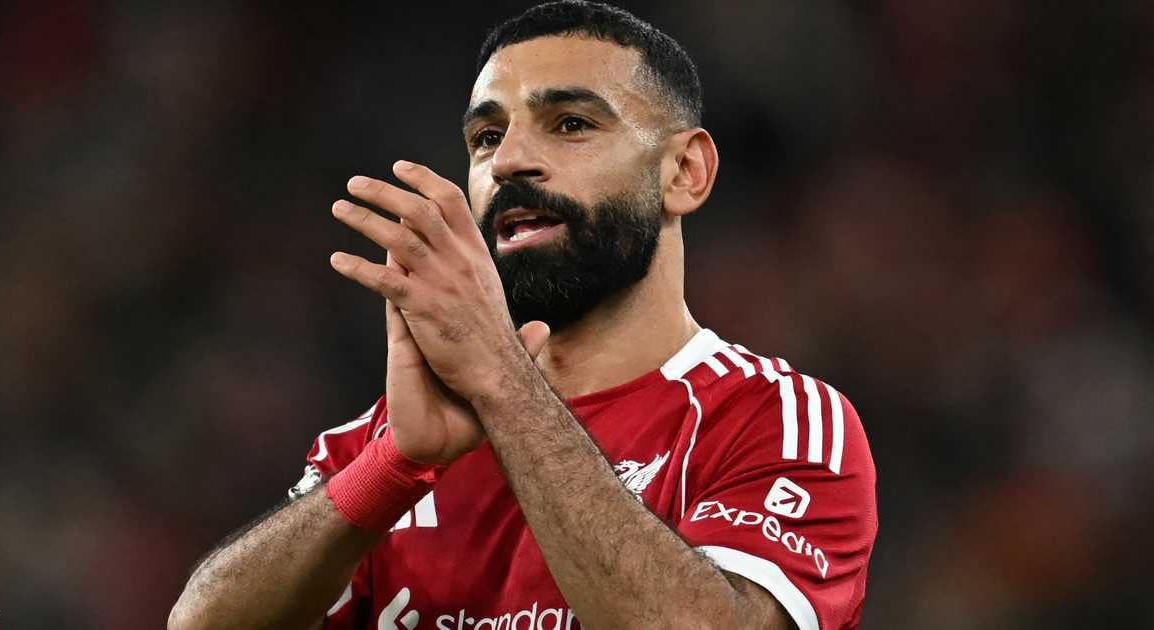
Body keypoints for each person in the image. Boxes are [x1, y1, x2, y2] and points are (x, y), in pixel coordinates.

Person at [167, 2, 877, 629]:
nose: (508, 161)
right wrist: (393, 466)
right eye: (486, 137)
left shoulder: (773, 421)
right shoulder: (404, 436)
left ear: (684, 172)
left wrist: (504, 387)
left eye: (570, 124)